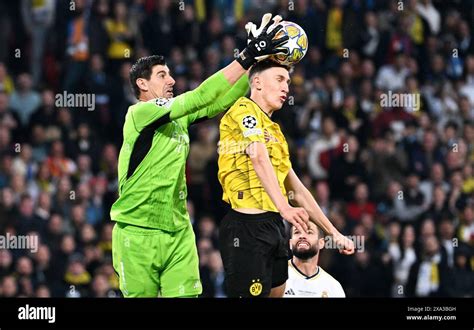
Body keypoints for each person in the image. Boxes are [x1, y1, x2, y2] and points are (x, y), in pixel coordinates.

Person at [109, 13, 289, 297]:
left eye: (170, 73)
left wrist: (258, 67)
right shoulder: (139, 113)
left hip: (178, 229)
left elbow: (222, 99)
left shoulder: (177, 119)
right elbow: (200, 95)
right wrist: (246, 56)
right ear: (142, 85)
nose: (171, 79)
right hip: (136, 230)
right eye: (162, 75)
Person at [218, 59, 355, 298]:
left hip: (274, 228)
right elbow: (257, 156)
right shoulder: (243, 110)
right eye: (280, 80)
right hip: (246, 227)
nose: (287, 88)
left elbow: (297, 189)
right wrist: (285, 208)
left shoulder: (276, 132)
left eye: (289, 82)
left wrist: (333, 233)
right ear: (257, 83)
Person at [284, 221, 345, 297]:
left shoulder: (333, 287)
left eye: (309, 232)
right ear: (290, 243)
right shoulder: (276, 275)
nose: (302, 236)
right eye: (297, 232)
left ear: (321, 243)